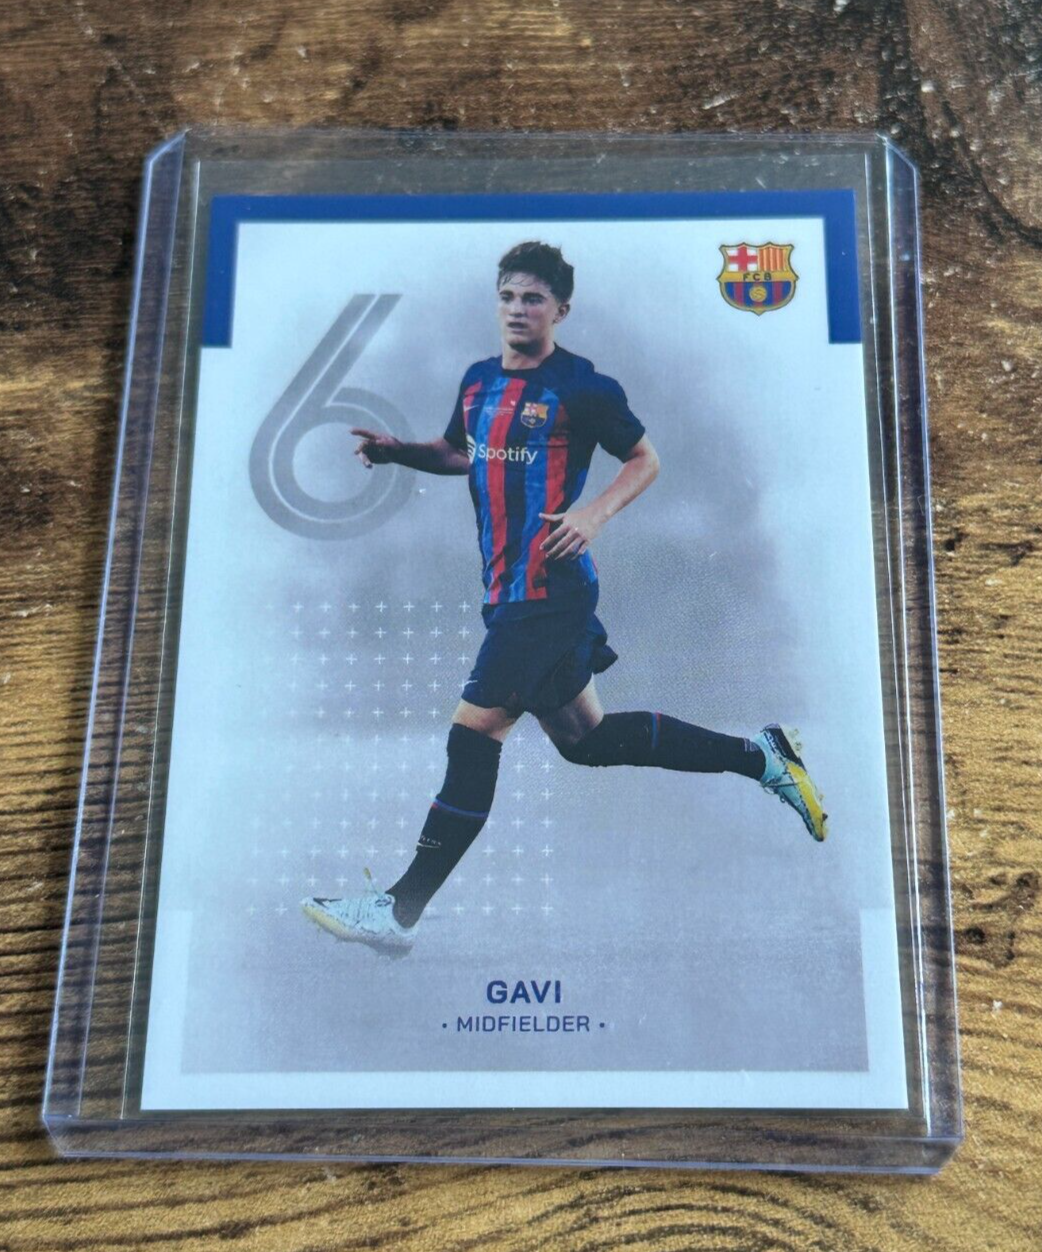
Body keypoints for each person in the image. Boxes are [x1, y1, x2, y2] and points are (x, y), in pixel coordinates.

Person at [302, 241, 826, 957]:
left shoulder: (581, 387)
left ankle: (400, 910)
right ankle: (762, 756)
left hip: (548, 593)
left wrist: (592, 515)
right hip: (508, 592)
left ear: (561, 309)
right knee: (587, 742)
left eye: (534, 299)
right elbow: (461, 452)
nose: (518, 310)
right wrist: (399, 452)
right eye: (508, 297)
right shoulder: (479, 381)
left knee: (474, 733)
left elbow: (645, 459)